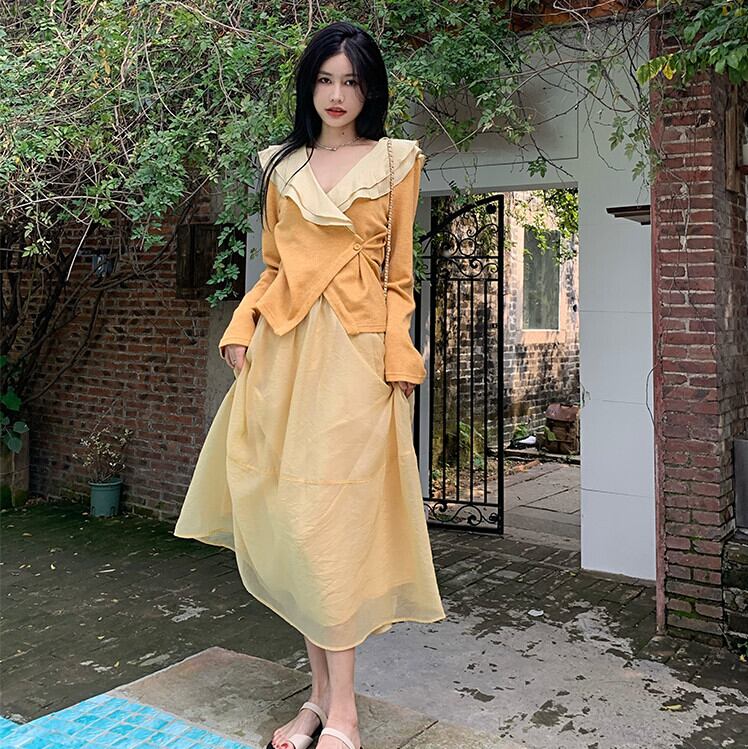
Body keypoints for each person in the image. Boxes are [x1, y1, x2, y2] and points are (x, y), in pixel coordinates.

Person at [173, 20, 446, 749]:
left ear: (369, 89)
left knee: (335, 527)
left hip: (354, 357)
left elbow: (398, 278)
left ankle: (345, 710)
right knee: (297, 522)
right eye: (325, 79)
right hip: (286, 354)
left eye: (351, 81)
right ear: (309, 86)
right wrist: (241, 327)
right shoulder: (279, 165)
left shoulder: (396, 160)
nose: (337, 94)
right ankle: (319, 702)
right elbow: (272, 266)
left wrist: (399, 361)